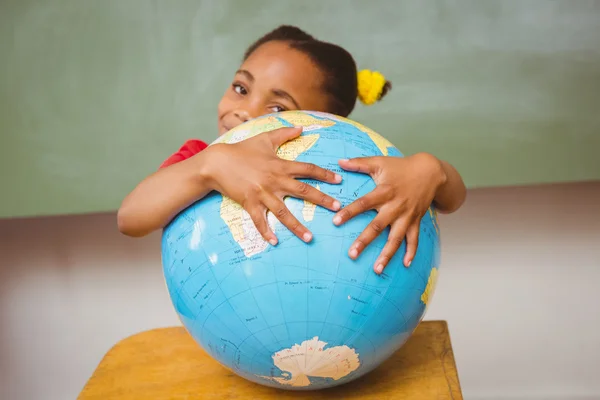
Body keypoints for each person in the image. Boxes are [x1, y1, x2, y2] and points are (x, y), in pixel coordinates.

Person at [118, 25, 466, 275]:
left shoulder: (344, 171)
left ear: (326, 125)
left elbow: (451, 198)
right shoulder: (200, 157)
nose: (245, 111)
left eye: (277, 111)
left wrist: (429, 170)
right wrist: (209, 165)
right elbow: (130, 218)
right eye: (241, 88)